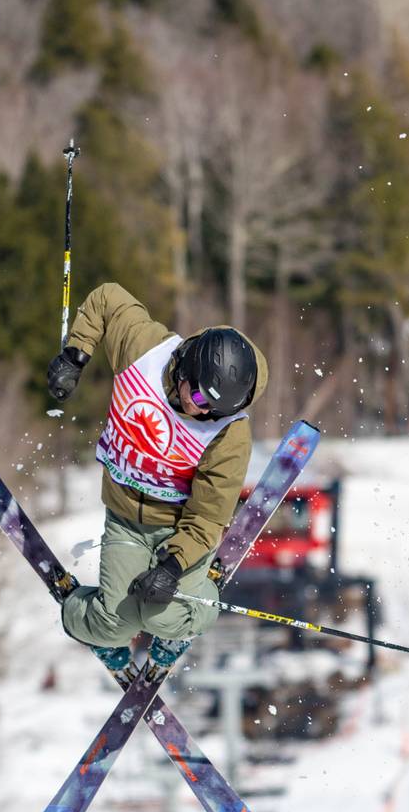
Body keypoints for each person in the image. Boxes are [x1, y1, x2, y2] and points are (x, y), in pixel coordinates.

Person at [44, 283, 268, 671]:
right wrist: (75, 354)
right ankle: (86, 624)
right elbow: (107, 298)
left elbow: (208, 517)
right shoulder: (145, 351)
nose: (202, 414)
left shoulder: (229, 434)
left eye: (215, 411)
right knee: (114, 625)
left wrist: (172, 567)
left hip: (178, 529)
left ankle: (195, 607)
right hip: (126, 522)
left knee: (161, 617)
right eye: (199, 401)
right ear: (185, 369)